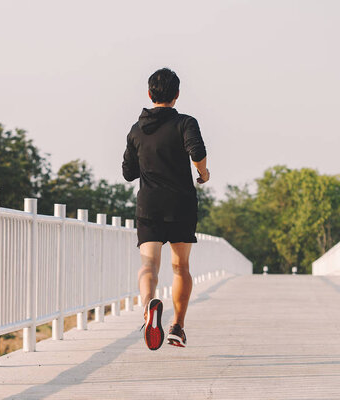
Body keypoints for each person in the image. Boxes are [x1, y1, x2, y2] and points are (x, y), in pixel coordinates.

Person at [122, 67, 209, 350]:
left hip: (149, 204)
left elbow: (128, 172)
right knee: (180, 266)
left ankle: (149, 307)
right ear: (177, 95)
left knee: (149, 264)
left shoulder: (137, 129)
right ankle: (177, 327)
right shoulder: (185, 122)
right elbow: (197, 152)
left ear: (149, 94)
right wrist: (203, 173)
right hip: (181, 203)